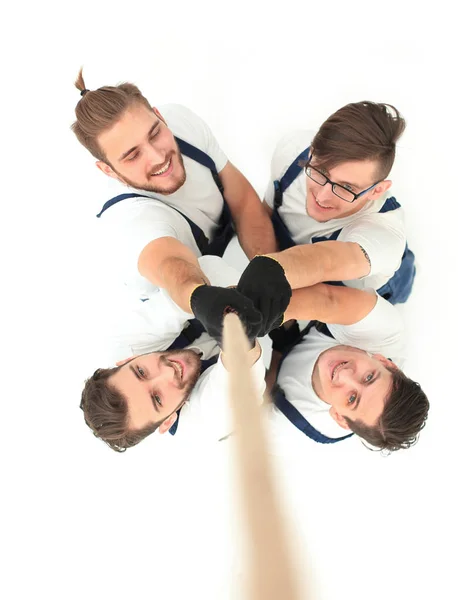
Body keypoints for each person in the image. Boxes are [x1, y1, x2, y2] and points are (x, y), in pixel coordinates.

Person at [82, 256, 429, 453]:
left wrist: (205, 299)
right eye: (158, 399)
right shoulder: (210, 422)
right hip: (294, 342)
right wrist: (252, 327)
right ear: (168, 421)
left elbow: (210, 267)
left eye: (141, 372)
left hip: (291, 342)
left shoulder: (127, 338)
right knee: (389, 279)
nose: (166, 373)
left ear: (125, 360)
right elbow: (241, 384)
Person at [71, 68, 279, 348]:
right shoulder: (129, 219)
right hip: (193, 320)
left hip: (232, 255)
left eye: (155, 133)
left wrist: (272, 275)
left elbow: (241, 199)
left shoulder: (182, 123)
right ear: (109, 171)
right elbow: (171, 266)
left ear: (160, 115)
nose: (158, 157)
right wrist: (199, 296)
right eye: (133, 155)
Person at [236, 256, 429, 452]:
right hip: (362, 292)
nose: (345, 375)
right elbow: (327, 300)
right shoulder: (381, 332)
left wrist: (277, 349)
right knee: (383, 271)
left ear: (339, 417)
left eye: (352, 399)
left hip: (286, 358)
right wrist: (247, 310)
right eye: (369, 377)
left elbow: (237, 420)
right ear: (385, 362)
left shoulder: (297, 420)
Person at [263, 101, 415, 305]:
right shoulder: (292, 152)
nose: (323, 196)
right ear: (310, 151)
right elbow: (263, 213)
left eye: (347, 187)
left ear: (377, 190)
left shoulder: (385, 234)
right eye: (320, 171)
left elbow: (325, 264)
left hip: (376, 285)